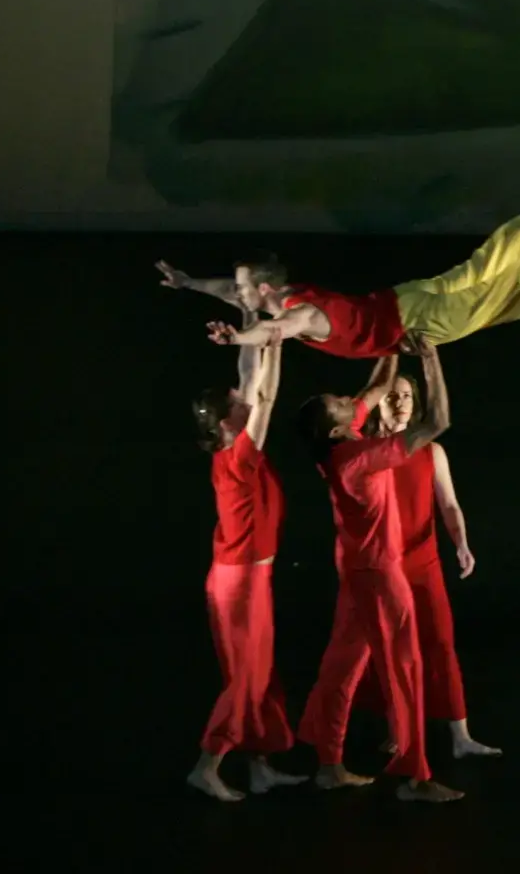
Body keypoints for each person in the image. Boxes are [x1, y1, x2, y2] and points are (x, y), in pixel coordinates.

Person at [156, 179, 520, 358]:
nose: (239, 297)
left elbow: (274, 332)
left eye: (244, 291)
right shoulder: (287, 294)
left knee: (494, 296)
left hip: (415, 321)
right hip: (406, 297)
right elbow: (232, 293)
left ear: (263, 289)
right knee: (483, 270)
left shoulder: (299, 314)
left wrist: (240, 338)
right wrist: (190, 283)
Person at [294, 340, 463, 803]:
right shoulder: (356, 458)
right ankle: (415, 776)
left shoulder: (340, 443)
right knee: (406, 667)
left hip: (355, 571)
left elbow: (376, 387)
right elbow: (438, 423)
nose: (352, 401)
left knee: (341, 668)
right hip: (380, 576)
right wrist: (429, 359)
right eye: (342, 404)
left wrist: (390, 341)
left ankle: (329, 764)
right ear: (339, 428)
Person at [185, 323, 306, 801]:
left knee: (262, 673)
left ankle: (260, 766)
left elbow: (253, 382)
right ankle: (208, 763)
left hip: (249, 579)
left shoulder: (237, 451)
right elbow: (267, 398)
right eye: (238, 403)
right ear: (226, 422)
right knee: (246, 677)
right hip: (240, 584)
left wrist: (266, 339)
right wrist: (270, 346)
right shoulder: (237, 457)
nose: (245, 399)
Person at [359, 374, 500, 760]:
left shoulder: (431, 451)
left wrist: (462, 544)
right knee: (387, 651)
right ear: (377, 402)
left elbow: (449, 504)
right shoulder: (366, 450)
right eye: (392, 396)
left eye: (407, 396)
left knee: (440, 644)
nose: (401, 402)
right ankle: (397, 730)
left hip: (424, 563)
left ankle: (461, 736)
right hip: (383, 566)